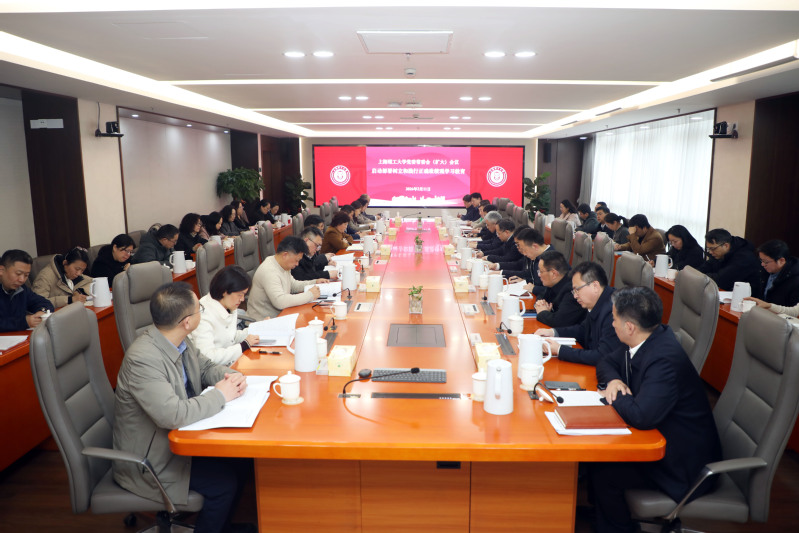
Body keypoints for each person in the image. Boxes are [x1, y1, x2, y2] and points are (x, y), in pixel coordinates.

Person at [112, 282, 252, 533]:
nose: (202, 312)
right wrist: (221, 395)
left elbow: (206, 367)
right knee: (223, 484)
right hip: (151, 461)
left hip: (178, 440)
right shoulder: (143, 359)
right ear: (187, 321)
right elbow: (173, 414)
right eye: (199, 309)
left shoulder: (179, 339)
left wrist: (233, 377)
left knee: (243, 462)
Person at [591, 286, 721, 533]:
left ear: (630, 327)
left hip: (681, 464)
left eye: (614, 319)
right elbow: (606, 361)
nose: (612, 324)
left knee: (604, 473)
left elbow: (641, 416)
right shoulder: (648, 336)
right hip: (666, 438)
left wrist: (613, 396)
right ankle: (604, 520)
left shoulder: (664, 359)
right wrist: (614, 381)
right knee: (598, 463)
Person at [535, 261, 623, 366]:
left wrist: (560, 350)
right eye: (574, 291)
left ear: (595, 286)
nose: (575, 296)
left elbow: (602, 356)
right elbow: (583, 330)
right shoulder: (597, 302)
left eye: (577, 290)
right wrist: (553, 332)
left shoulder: (613, 311)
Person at [188, 266, 259, 366]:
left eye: (244, 295)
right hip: (213, 370)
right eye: (240, 294)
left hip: (229, 363)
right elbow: (208, 357)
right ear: (225, 292)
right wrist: (243, 346)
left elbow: (230, 338)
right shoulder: (202, 314)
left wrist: (258, 329)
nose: (242, 299)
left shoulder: (229, 305)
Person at [248, 236, 325, 320]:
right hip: (262, 322)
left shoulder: (283, 264)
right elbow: (280, 301)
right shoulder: (269, 270)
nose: (297, 264)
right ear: (285, 255)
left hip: (281, 316)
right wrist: (309, 295)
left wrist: (315, 282)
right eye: (296, 260)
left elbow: (293, 285)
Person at [0, 249, 54, 332]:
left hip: (19, 336)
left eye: (26, 275)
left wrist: (42, 312)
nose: (22, 279)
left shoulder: (21, 288)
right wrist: (23, 322)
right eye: (18, 274)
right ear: (1, 270)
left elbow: (44, 303)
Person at [699, 228, 762, 295]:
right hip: (727, 293)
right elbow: (704, 268)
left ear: (726, 245)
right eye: (708, 249)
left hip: (747, 297)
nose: (710, 252)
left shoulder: (744, 258)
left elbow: (721, 280)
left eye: (713, 249)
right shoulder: (718, 254)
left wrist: (700, 277)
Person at [488, 228, 549, 296]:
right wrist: (524, 281)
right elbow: (531, 276)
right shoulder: (536, 256)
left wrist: (534, 288)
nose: (524, 254)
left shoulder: (550, 259)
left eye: (524, 250)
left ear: (535, 247)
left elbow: (553, 291)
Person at [533, 250, 587, 328]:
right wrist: (541, 304)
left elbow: (559, 322)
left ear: (554, 274)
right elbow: (541, 295)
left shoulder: (572, 291)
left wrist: (542, 312)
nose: (539, 275)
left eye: (541, 271)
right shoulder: (554, 282)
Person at [753, 240, 799, 307]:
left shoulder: (795, 281)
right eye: (761, 260)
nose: (762, 264)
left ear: (781, 261)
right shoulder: (765, 271)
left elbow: (793, 310)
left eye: (766, 262)